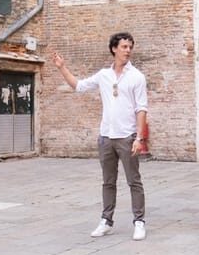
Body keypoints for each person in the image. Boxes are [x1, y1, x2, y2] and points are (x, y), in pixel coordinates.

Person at [52, 33, 149, 241]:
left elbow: (141, 109)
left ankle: (139, 222)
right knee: (108, 181)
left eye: (130, 46)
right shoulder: (104, 75)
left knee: (134, 181)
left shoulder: (137, 77)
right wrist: (62, 67)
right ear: (114, 48)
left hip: (127, 136)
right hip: (106, 137)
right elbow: (78, 86)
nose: (128, 50)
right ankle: (106, 220)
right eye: (124, 46)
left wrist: (139, 138)